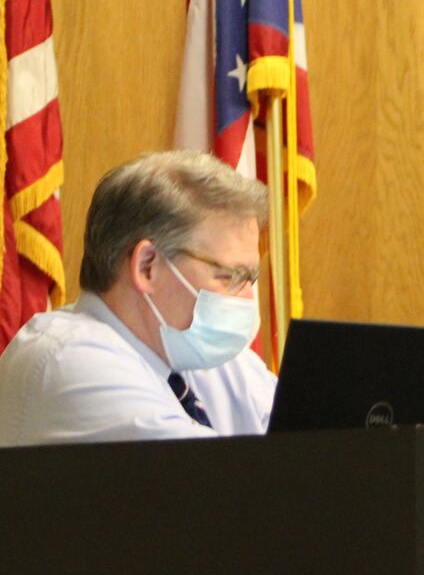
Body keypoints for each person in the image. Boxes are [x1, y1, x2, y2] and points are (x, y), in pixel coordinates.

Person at [0, 151, 276, 446]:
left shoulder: (208, 359)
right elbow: (217, 480)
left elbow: (312, 447)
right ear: (148, 266)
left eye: (251, 279)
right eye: (230, 276)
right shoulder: (69, 360)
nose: (247, 297)